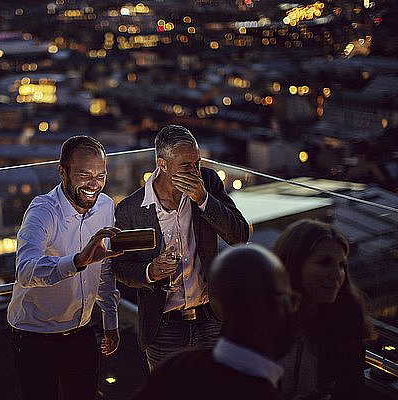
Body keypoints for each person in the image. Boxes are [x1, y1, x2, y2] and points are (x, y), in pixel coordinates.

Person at [111, 124, 249, 370]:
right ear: (162, 164)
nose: (195, 171)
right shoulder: (130, 210)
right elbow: (119, 268)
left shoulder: (208, 182)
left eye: (197, 162)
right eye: (186, 166)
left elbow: (239, 235)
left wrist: (204, 199)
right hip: (163, 328)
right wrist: (149, 272)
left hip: (210, 319)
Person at [7, 135, 123, 400]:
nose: (94, 184)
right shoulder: (42, 211)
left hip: (82, 331)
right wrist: (78, 261)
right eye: (84, 174)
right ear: (62, 172)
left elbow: (104, 269)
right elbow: (25, 270)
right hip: (36, 337)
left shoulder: (105, 205)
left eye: (100, 175)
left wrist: (110, 320)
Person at [130, 244, 300, 400]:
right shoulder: (260, 392)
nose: (295, 309)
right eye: (291, 300)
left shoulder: (175, 369)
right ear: (273, 304)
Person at [272, 219, 376, 400]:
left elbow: (352, 391)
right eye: (324, 262)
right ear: (294, 264)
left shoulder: (346, 325)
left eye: (342, 265)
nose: (337, 275)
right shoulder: (258, 322)